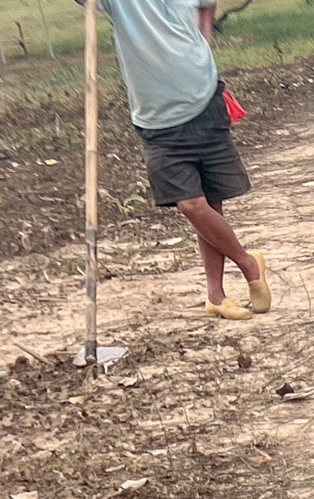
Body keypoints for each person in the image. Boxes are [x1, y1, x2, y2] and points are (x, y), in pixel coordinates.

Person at [91, 0, 269, 320]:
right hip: (157, 120)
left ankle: (216, 295)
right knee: (190, 205)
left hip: (206, 101)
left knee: (212, 204)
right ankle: (247, 262)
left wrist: (202, 43)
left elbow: (206, 5)